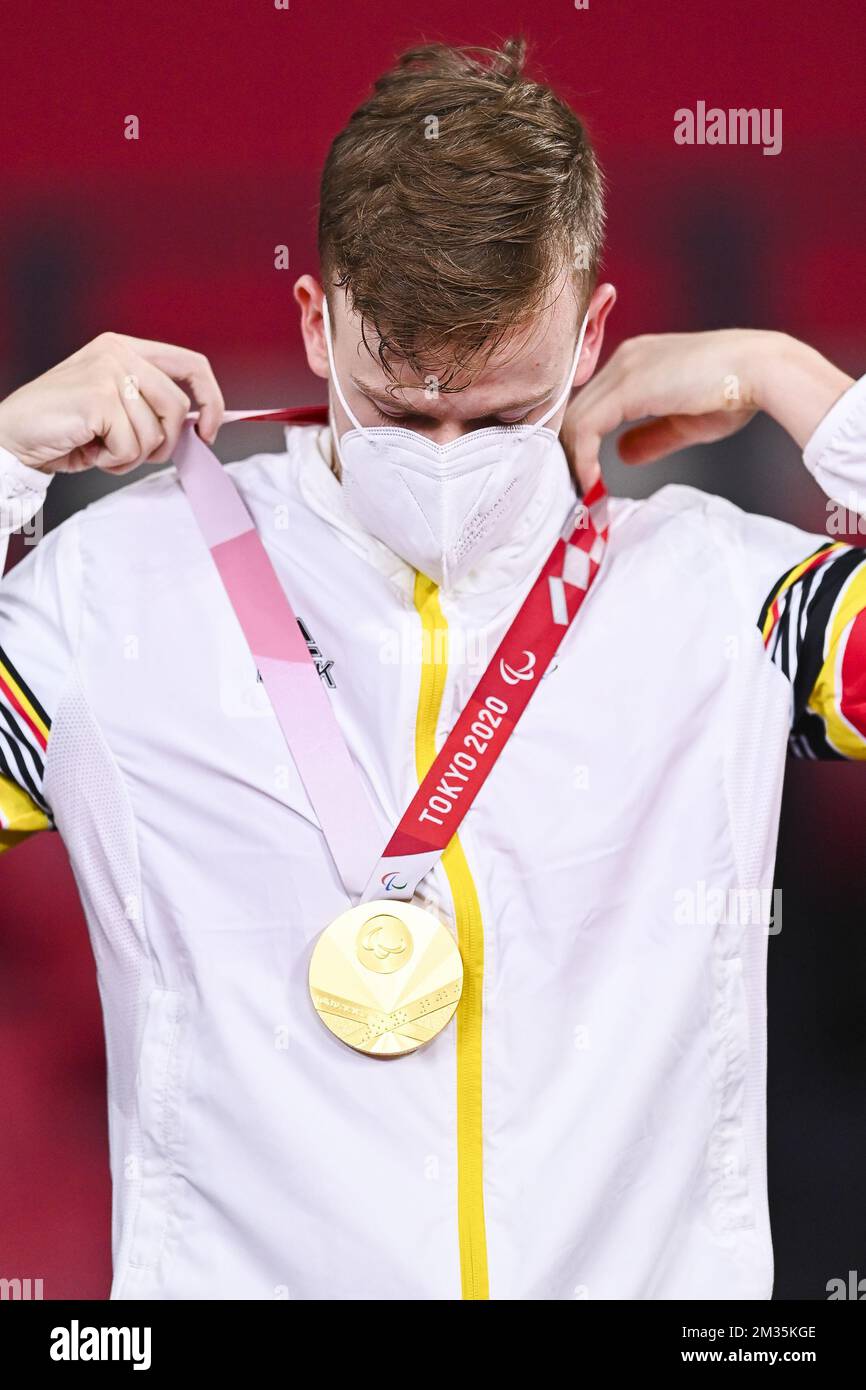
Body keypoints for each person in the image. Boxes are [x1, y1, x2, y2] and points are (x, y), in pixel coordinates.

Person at [0, 37, 863, 1302]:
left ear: (592, 333)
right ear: (313, 322)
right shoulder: (114, 598)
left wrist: (803, 386)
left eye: (504, 411)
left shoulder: (715, 597)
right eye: (401, 411)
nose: (448, 454)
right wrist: (5, 457)